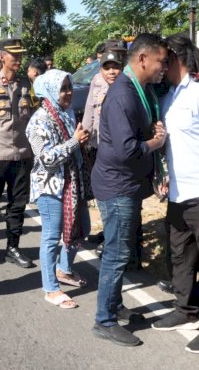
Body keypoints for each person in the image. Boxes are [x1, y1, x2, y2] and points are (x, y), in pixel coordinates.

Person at [91, 33, 168, 347]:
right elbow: (125, 149)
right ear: (143, 59)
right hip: (117, 185)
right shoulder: (123, 93)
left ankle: (115, 306)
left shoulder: (141, 88)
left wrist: (153, 130)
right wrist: (156, 142)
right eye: (162, 61)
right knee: (117, 254)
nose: (164, 67)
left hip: (127, 184)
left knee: (120, 251)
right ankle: (104, 320)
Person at [151, 33, 199, 354]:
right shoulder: (169, 96)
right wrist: (163, 177)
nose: (160, 65)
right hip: (178, 195)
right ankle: (185, 310)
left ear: (175, 58)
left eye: (164, 58)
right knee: (181, 257)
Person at [26, 69, 93, 309]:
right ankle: (51, 288)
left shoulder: (66, 114)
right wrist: (75, 141)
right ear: (50, 91)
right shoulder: (38, 121)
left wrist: (80, 141)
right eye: (63, 88)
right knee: (52, 237)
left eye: (69, 87)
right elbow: (46, 159)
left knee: (82, 228)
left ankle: (64, 269)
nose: (68, 93)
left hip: (72, 183)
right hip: (50, 187)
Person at [0, 38, 39, 267]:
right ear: (2, 56)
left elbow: (34, 120)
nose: (19, 59)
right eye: (15, 55)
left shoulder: (26, 85)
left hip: (22, 155)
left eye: (21, 55)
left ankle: (13, 247)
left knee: (18, 203)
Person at [82, 48, 125, 249]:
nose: (111, 72)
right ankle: (108, 234)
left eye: (115, 67)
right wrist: (85, 136)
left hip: (120, 152)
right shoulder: (96, 83)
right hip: (99, 148)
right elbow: (90, 109)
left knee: (120, 196)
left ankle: (117, 240)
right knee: (104, 194)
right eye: (106, 68)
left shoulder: (127, 87)